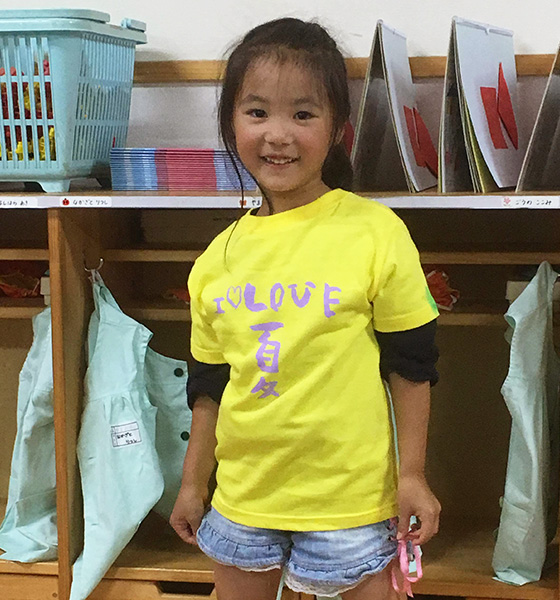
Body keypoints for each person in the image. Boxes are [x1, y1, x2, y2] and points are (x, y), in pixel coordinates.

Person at [170, 17, 441, 600]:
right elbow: (210, 386)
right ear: (231, 122)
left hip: (352, 502)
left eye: (302, 114)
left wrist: (413, 476)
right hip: (244, 501)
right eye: (257, 112)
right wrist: (193, 485)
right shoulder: (216, 259)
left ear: (336, 127)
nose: (278, 135)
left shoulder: (376, 232)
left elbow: (412, 365)